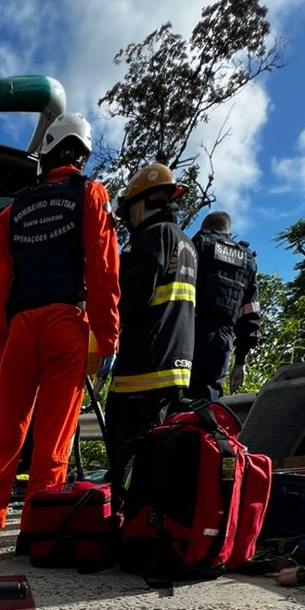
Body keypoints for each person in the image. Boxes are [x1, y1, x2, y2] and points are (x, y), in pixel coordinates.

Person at [0, 112, 120, 553]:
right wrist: (108, 337)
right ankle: (37, 527)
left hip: (20, 327)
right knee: (54, 433)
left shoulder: (11, 212)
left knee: (4, 430)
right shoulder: (90, 195)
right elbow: (104, 269)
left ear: (48, 152)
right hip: (66, 323)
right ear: (82, 155)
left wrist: (1, 343)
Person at [105, 163, 198, 474]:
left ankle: (127, 516)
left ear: (143, 202)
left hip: (143, 370)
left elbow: (131, 299)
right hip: (176, 368)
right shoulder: (186, 243)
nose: (129, 220)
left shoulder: (151, 236)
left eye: (129, 210)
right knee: (158, 457)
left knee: (127, 453)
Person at [188, 211, 260, 401]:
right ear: (228, 232)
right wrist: (240, 362)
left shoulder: (198, 245)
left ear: (205, 228)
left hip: (191, 332)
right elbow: (250, 313)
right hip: (223, 340)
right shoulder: (248, 260)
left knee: (180, 396)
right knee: (209, 397)